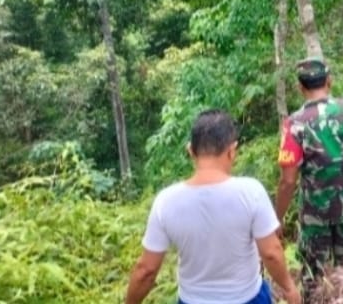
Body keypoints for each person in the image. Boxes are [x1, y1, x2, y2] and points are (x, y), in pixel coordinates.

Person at [125, 110, 300, 304]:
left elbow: (146, 271)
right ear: (232, 151)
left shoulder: (166, 201)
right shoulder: (251, 192)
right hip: (247, 299)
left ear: (191, 151)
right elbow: (271, 253)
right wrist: (289, 288)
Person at [276, 57, 343, 300]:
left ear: (301, 87)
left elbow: (288, 181)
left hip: (314, 214)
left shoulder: (294, 124)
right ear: (329, 81)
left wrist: (275, 218)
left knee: (313, 278)